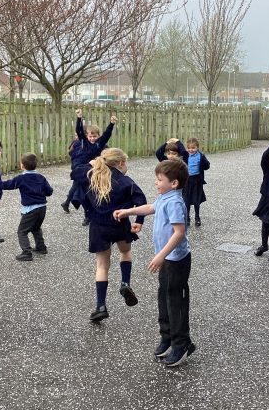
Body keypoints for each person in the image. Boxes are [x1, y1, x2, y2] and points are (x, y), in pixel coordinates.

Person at [114, 159, 196, 367]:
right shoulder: (164, 197)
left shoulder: (175, 202)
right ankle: (167, 337)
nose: (156, 183)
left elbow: (179, 233)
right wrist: (128, 211)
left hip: (176, 261)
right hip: (166, 259)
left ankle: (181, 344)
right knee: (164, 297)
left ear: (174, 183)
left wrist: (161, 255)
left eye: (160, 180)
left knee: (175, 301)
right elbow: (151, 207)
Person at [70, 148, 147, 322]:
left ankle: (101, 306)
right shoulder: (126, 181)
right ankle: (125, 283)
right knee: (125, 252)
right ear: (121, 163)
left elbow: (74, 172)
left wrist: (91, 163)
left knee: (102, 266)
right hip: (120, 224)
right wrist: (139, 220)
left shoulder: (91, 176)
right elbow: (141, 200)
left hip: (98, 227)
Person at [0, 153, 53, 262]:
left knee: (22, 231)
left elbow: (5, 185)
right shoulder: (41, 177)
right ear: (36, 164)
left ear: (22, 165)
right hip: (42, 208)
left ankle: (26, 253)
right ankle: (41, 247)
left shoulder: (21, 178)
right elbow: (49, 191)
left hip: (30, 209)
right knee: (36, 228)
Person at [72, 109, 118, 226]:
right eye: (90, 136)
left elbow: (107, 134)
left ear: (98, 136)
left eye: (95, 136)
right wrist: (79, 118)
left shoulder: (100, 143)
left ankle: (98, 213)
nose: (92, 138)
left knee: (96, 194)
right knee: (82, 195)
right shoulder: (84, 142)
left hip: (97, 170)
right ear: (87, 136)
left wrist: (112, 123)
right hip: (86, 170)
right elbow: (79, 130)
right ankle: (87, 215)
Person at [183, 137, 210, 227]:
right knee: (186, 200)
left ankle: (197, 217)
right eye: (189, 148)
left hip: (197, 180)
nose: (191, 150)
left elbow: (207, 166)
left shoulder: (200, 156)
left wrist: (204, 160)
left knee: (196, 200)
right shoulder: (185, 156)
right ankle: (187, 218)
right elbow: (180, 149)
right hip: (187, 180)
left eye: (193, 148)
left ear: (197, 147)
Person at [61, 134, 82, 213]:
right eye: (76, 135)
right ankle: (67, 202)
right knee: (76, 186)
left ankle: (67, 202)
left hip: (76, 167)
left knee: (76, 186)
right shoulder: (78, 143)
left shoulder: (76, 142)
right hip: (79, 168)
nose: (76, 137)